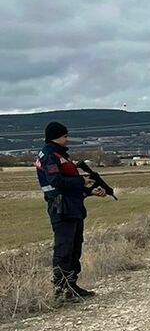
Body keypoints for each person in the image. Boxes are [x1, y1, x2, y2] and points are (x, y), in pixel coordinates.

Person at [35, 121, 107, 302]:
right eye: (65, 136)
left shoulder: (58, 154)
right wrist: (82, 182)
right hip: (62, 208)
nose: (67, 140)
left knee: (74, 247)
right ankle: (62, 291)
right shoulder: (50, 156)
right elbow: (57, 182)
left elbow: (68, 184)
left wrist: (88, 191)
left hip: (71, 206)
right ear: (56, 136)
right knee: (64, 249)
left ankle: (72, 285)